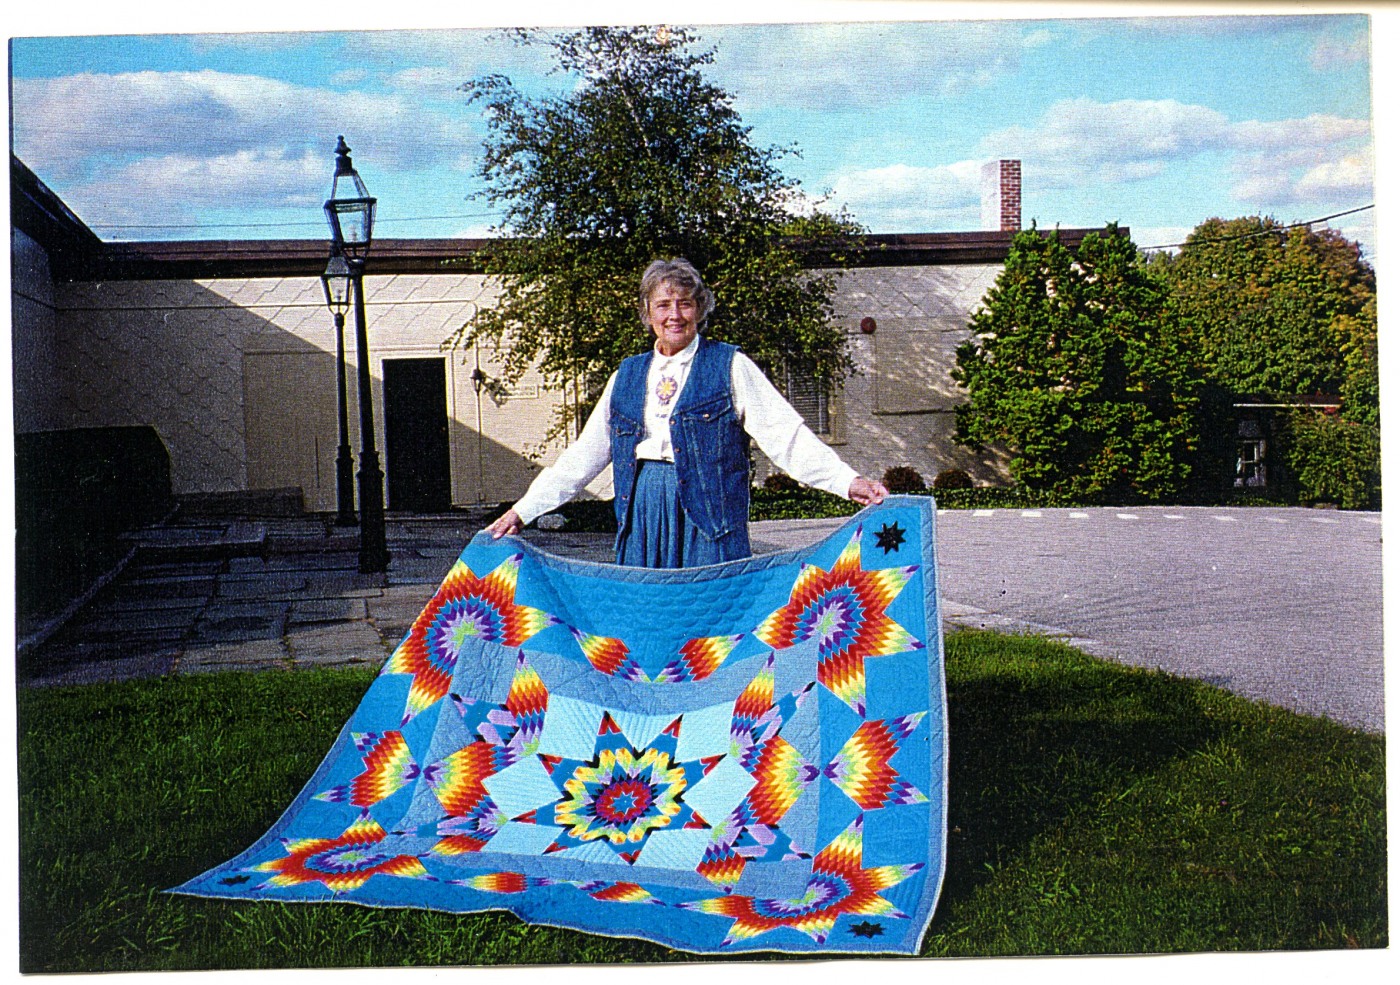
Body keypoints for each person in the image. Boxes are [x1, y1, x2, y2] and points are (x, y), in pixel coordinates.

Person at [486, 258, 888, 567]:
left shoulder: (730, 365)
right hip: (644, 512)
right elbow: (583, 456)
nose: (674, 315)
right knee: (649, 623)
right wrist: (525, 510)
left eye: (685, 304)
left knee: (712, 623)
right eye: (663, 305)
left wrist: (847, 482)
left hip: (709, 518)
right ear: (647, 313)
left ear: (700, 309)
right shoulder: (626, 375)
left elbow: (786, 436)